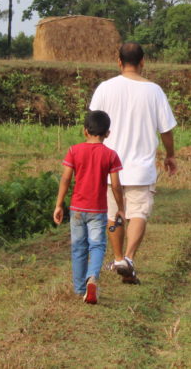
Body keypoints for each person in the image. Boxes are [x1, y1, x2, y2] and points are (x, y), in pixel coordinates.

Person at [90, 42, 177, 285]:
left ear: (119, 62)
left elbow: (92, 125)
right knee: (138, 213)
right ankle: (128, 258)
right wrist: (170, 155)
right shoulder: (155, 91)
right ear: (142, 62)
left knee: (113, 214)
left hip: (109, 167)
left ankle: (118, 258)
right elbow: (166, 130)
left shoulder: (105, 88)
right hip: (141, 169)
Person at [53, 110, 125, 304]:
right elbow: (116, 185)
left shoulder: (74, 151)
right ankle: (92, 278)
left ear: (85, 131)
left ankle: (79, 289)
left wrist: (59, 205)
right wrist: (121, 207)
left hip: (77, 208)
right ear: (107, 133)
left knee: (78, 247)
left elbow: (66, 179)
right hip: (98, 210)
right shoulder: (111, 155)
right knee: (97, 245)